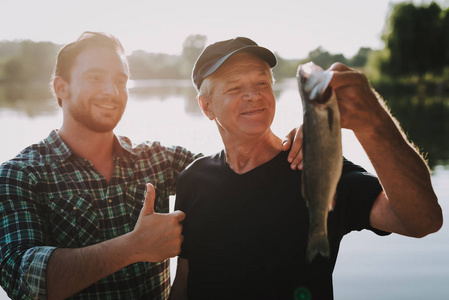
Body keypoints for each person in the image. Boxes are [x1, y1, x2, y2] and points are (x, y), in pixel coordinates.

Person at [0, 32, 302, 300]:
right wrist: (132, 247)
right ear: (60, 87)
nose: (112, 91)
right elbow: (23, 282)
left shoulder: (158, 160)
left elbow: (239, 163)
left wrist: (303, 140)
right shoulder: (20, 174)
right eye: (95, 78)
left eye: (120, 80)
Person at [169, 37, 443, 300]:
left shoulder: (314, 164)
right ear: (207, 107)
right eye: (234, 88)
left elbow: (422, 220)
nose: (253, 95)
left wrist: (372, 121)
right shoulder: (193, 179)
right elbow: (183, 284)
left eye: (262, 82)